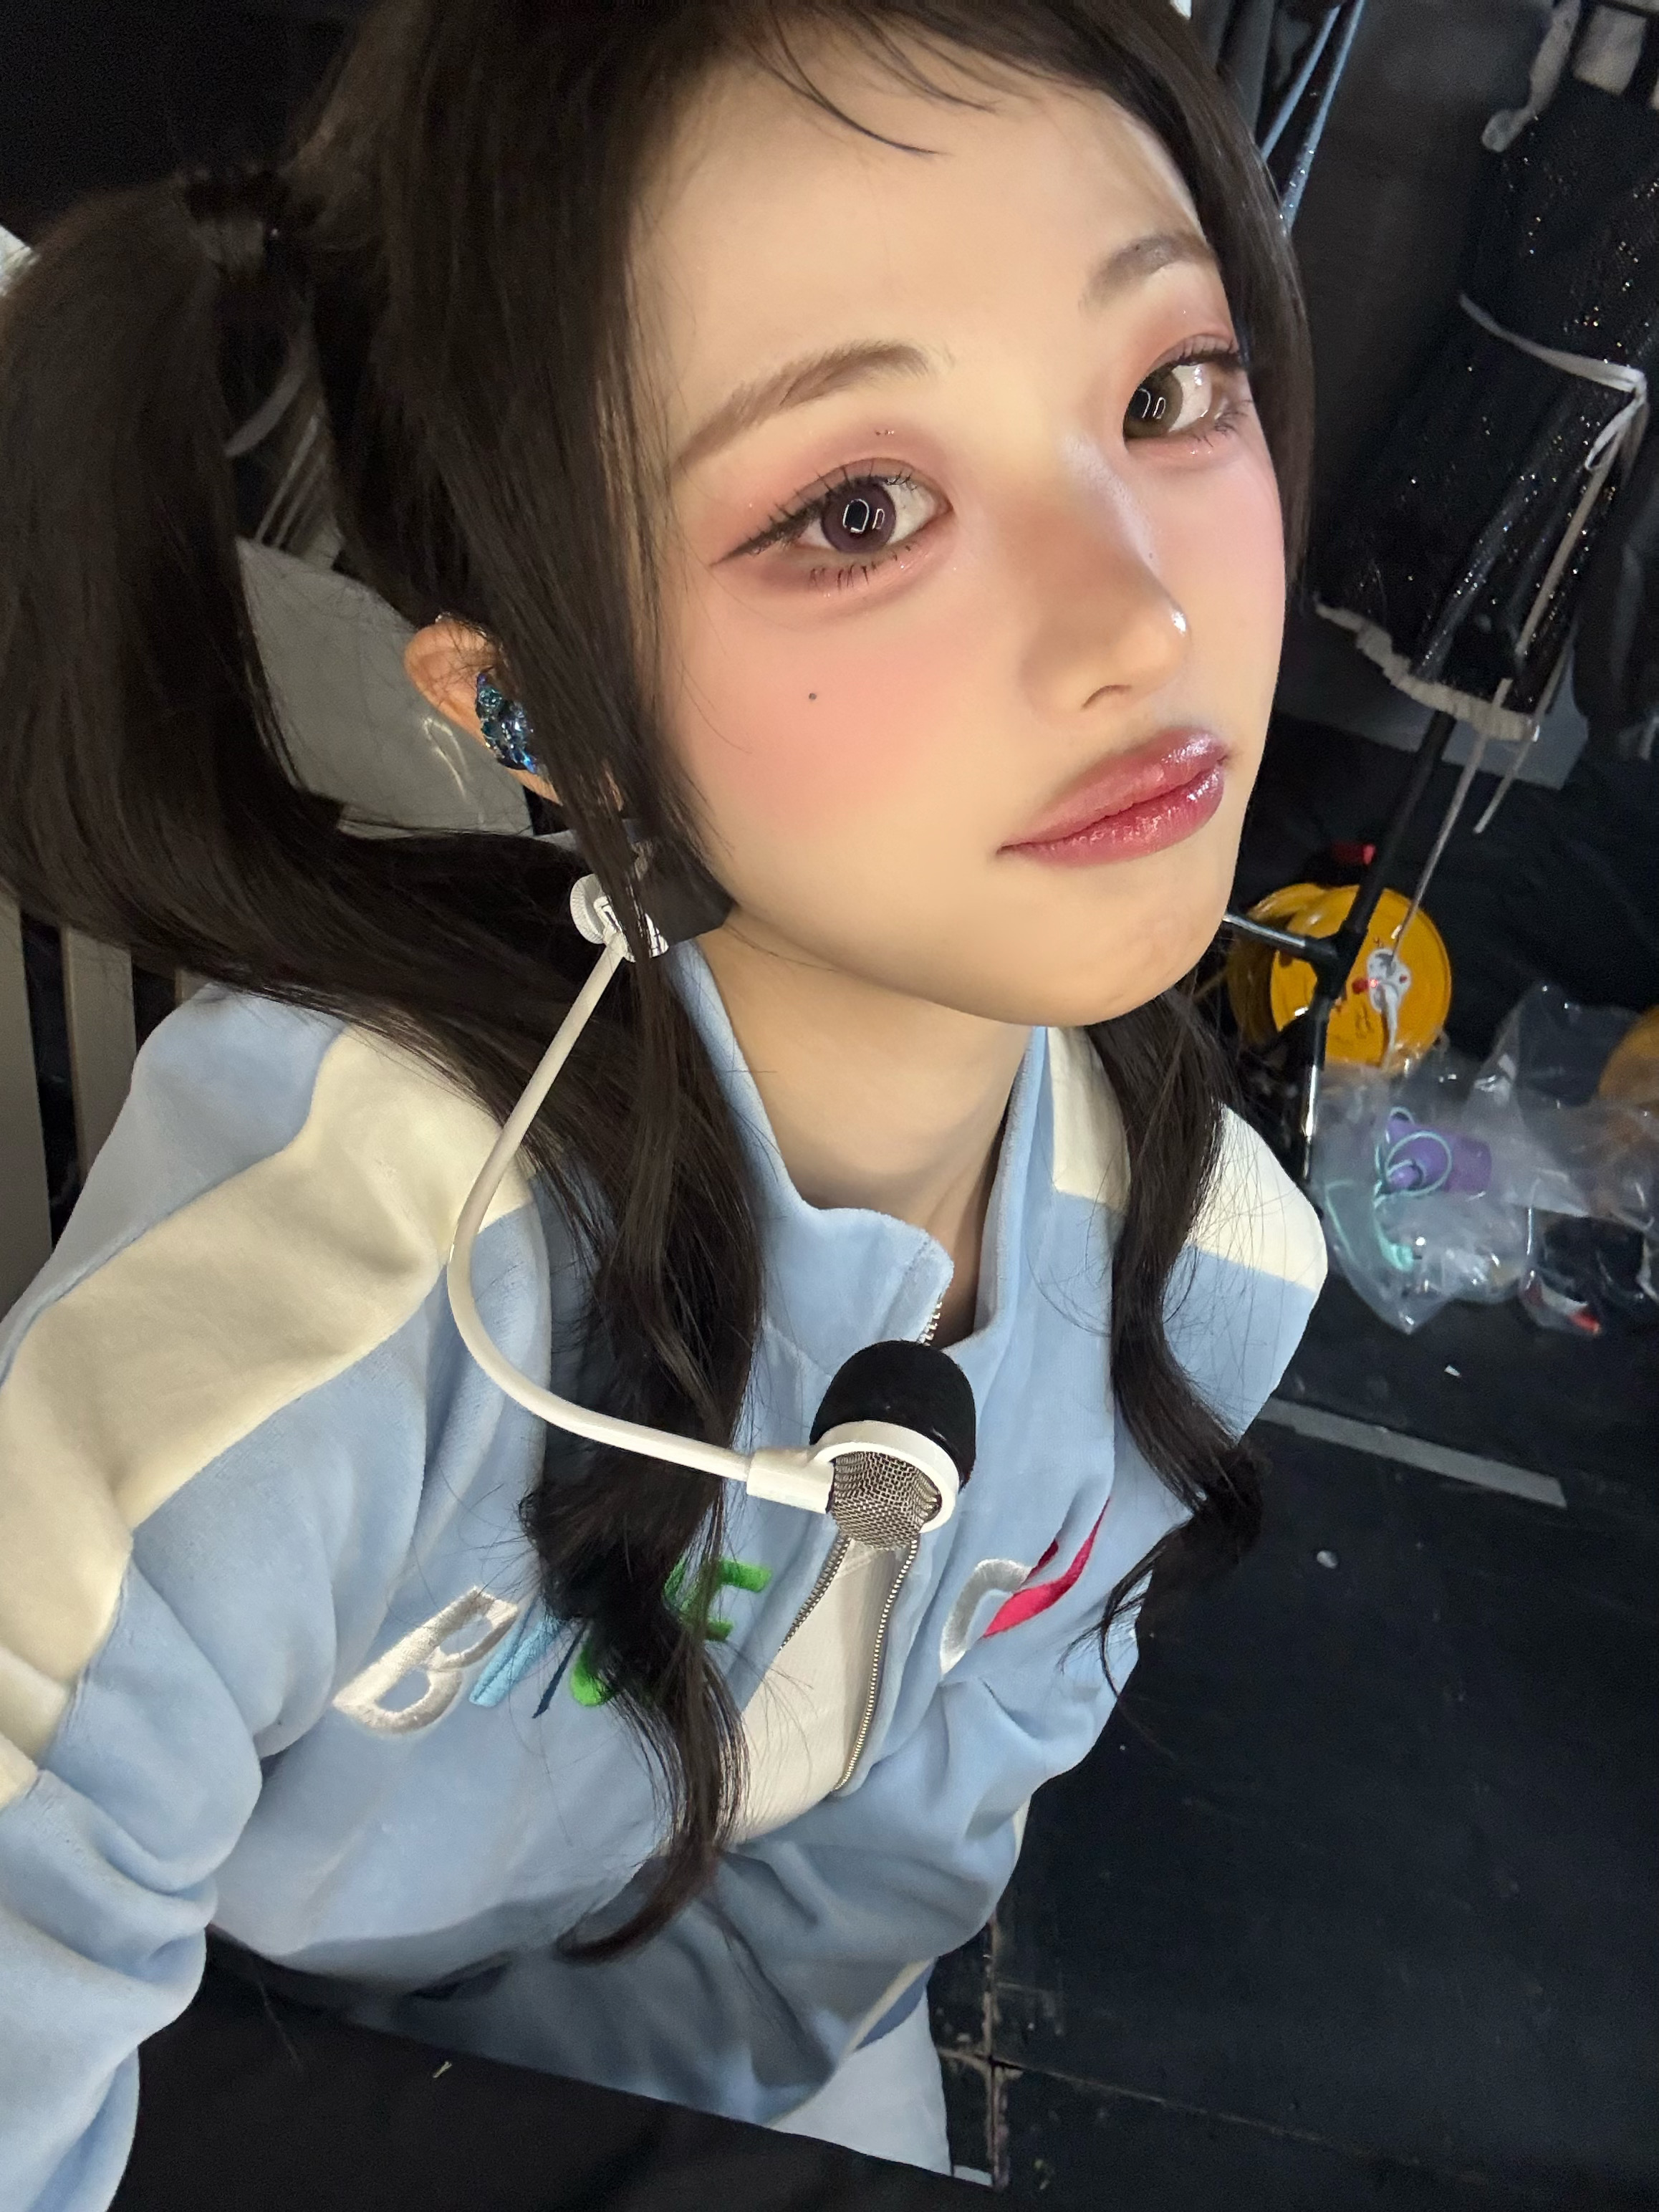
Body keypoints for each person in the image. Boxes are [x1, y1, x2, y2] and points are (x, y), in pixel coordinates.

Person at [0, 0, 1326, 2202]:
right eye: (861, 508)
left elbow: (864, 1904)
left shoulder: (1207, 1270)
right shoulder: (333, 1276)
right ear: (533, 706)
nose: (1140, 615)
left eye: (1167, 391)